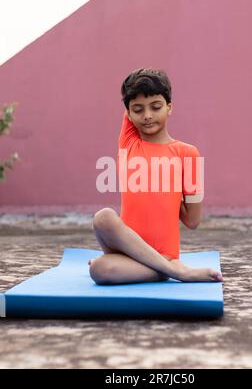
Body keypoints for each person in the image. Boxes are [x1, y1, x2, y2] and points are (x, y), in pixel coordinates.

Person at [89, 68, 223, 284]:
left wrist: (170, 189)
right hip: (127, 252)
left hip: (164, 252)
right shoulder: (129, 142)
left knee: (99, 268)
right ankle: (175, 271)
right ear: (129, 115)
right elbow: (130, 98)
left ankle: (164, 267)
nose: (148, 115)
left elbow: (193, 221)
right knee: (103, 218)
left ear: (169, 107)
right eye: (138, 110)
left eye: (156, 107)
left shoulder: (188, 153)